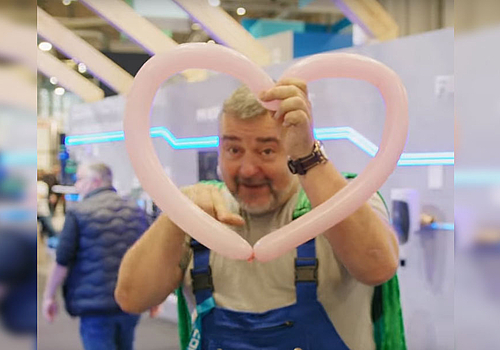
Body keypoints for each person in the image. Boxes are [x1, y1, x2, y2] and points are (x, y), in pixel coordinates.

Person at [115, 80, 406, 350]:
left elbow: (378, 267)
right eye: (233, 149)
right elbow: (132, 297)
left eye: (267, 150)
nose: (248, 169)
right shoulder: (197, 213)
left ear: (292, 146)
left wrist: (308, 156)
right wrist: (175, 215)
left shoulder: (344, 198)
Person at [42, 163, 149, 350]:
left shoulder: (78, 212)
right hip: (129, 301)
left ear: (96, 181)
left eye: (80, 179)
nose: (77, 185)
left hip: (95, 307)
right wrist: (154, 296)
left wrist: (49, 296)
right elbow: (147, 257)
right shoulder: (135, 210)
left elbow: (62, 261)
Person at [37, 169, 57, 239]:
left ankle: (54, 239)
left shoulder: (43, 185)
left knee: (49, 227)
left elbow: (42, 195)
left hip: (42, 209)